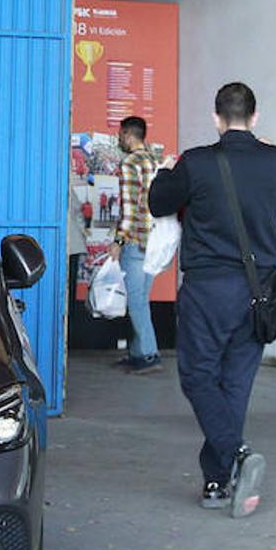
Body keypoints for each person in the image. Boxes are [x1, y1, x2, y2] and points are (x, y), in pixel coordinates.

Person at [148, 82, 276, 517]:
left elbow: (157, 201)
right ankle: (216, 482)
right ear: (255, 118)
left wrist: (168, 172)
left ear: (217, 118)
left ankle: (236, 456)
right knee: (235, 383)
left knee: (198, 376)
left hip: (208, 288)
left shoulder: (197, 163)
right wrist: (270, 152)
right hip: (259, 290)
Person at [107, 116, 160, 374]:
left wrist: (118, 241)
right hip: (155, 242)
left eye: (120, 134)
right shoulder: (154, 160)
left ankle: (149, 354)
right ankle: (138, 352)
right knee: (142, 299)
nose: (119, 139)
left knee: (136, 301)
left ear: (128, 134)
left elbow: (129, 209)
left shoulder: (130, 163)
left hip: (137, 241)